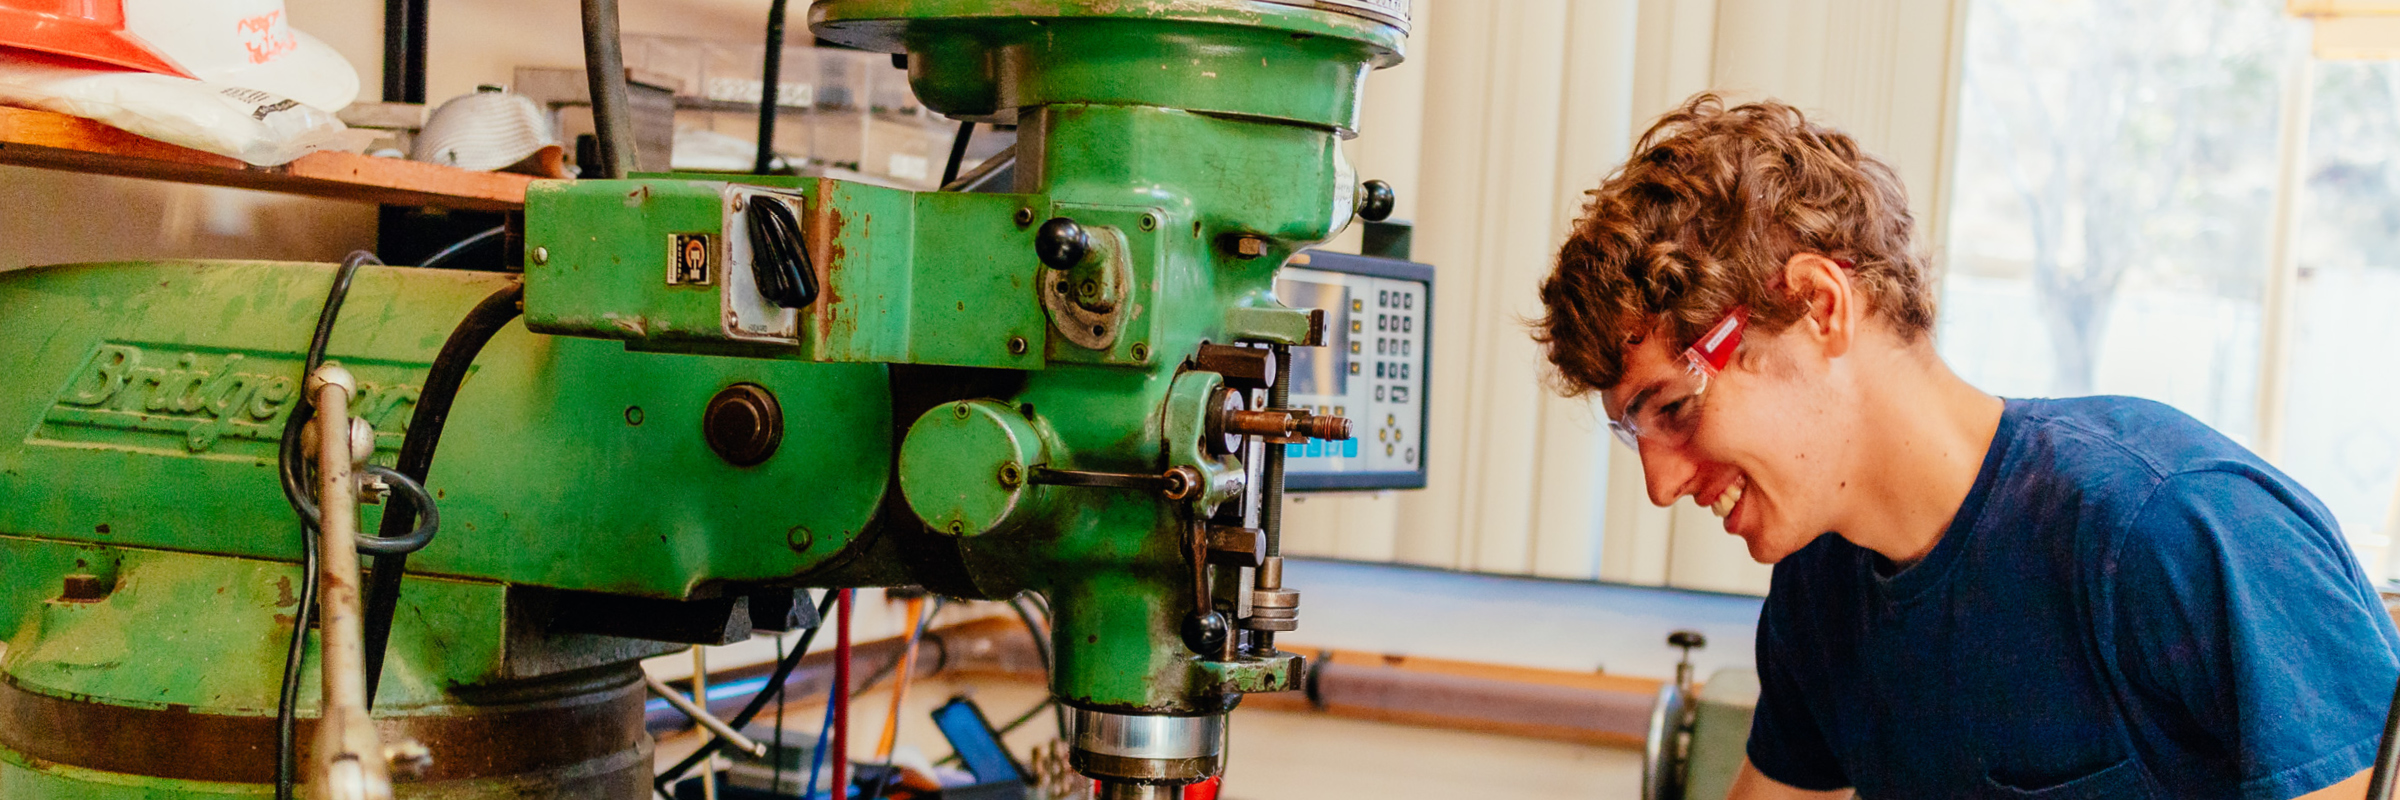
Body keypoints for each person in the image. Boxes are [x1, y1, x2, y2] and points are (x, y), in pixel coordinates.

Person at [1534, 92, 2400, 800]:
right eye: (1632, 431)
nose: (1658, 483)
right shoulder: (1822, 588)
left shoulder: (2166, 530)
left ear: (1818, 305)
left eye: (1674, 408)